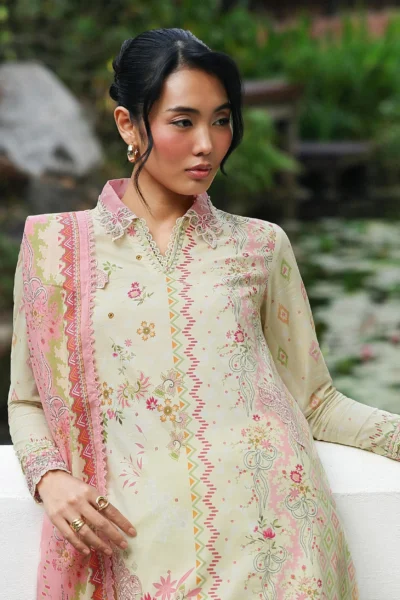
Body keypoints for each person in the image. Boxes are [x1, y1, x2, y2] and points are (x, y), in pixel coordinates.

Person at [7, 27, 400, 600]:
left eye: (221, 120)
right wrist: (50, 477)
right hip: (136, 557)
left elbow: (314, 402)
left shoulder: (260, 245)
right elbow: (26, 400)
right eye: (183, 121)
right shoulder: (54, 248)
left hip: (279, 555)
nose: (207, 144)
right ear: (129, 126)